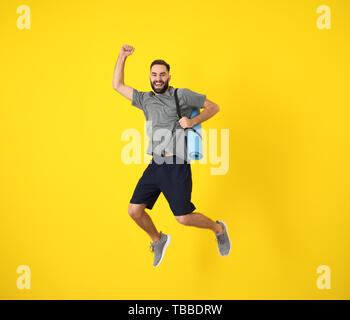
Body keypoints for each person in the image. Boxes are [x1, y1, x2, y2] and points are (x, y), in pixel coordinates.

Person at [113, 44, 231, 267]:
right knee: (134, 211)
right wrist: (122, 57)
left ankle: (218, 228)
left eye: (162, 74)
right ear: (150, 76)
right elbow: (117, 85)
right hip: (156, 164)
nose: (158, 79)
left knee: (184, 218)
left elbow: (214, 107)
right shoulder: (145, 99)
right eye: (154, 74)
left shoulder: (181, 95)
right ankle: (158, 240)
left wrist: (193, 121)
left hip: (177, 164)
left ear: (169, 76)